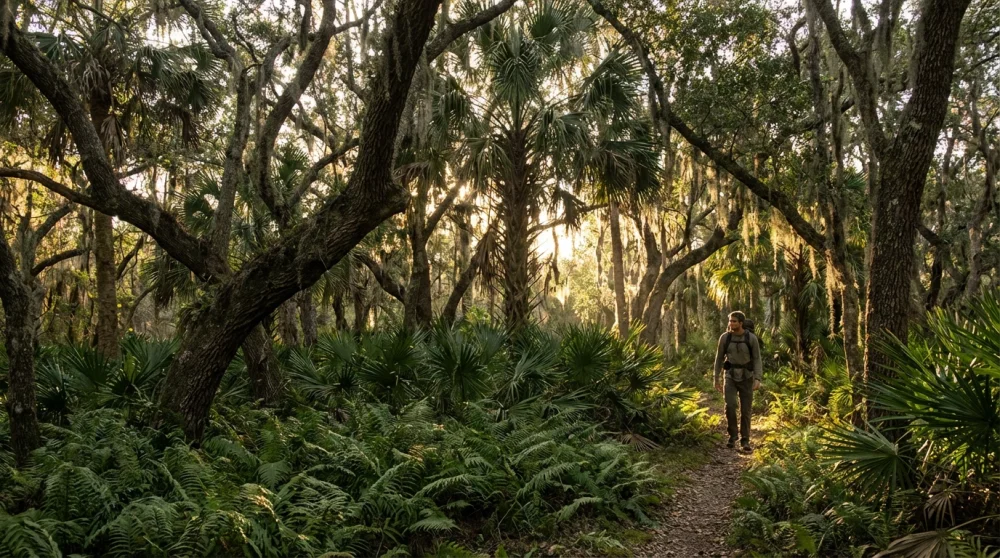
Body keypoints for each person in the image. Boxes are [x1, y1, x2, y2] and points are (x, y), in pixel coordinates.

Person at [713, 311, 762, 452]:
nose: (731, 323)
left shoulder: (751, 338)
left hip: (747, 377)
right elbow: (718, 359)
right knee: (730, 405)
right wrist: (715, 378)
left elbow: (757, 359)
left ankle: (745, 440)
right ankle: (732, 435)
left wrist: (757, 378)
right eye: (730, 321)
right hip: (729, 375)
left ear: (741, 323)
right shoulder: (725, 338)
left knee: (746, 410)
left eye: (734, 321)